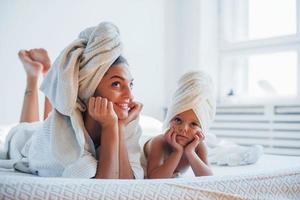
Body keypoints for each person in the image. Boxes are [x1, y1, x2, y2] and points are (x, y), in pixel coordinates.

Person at [0, 22, 144, 179]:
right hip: (28, 140)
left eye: (131, 84)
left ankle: (45, 73)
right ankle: (33, 77)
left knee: (53, 115)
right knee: (24, 128)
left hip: (54, 123)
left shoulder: (128, 124)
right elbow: (105, 187)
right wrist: (110, 126)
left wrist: (120, 128)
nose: (130, 95)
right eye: (116, 84)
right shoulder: (65, 147)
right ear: (89, 90)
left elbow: (128, 182)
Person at [142, 71, 215, 178]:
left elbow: (208, 177)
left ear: (202, 129)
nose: (183, 129)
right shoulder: (159, 142)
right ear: (170, 118)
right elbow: (155, 178)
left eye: (193, 124)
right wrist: (177, 152)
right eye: (178, 120)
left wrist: (190, 152)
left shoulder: (198, 146)